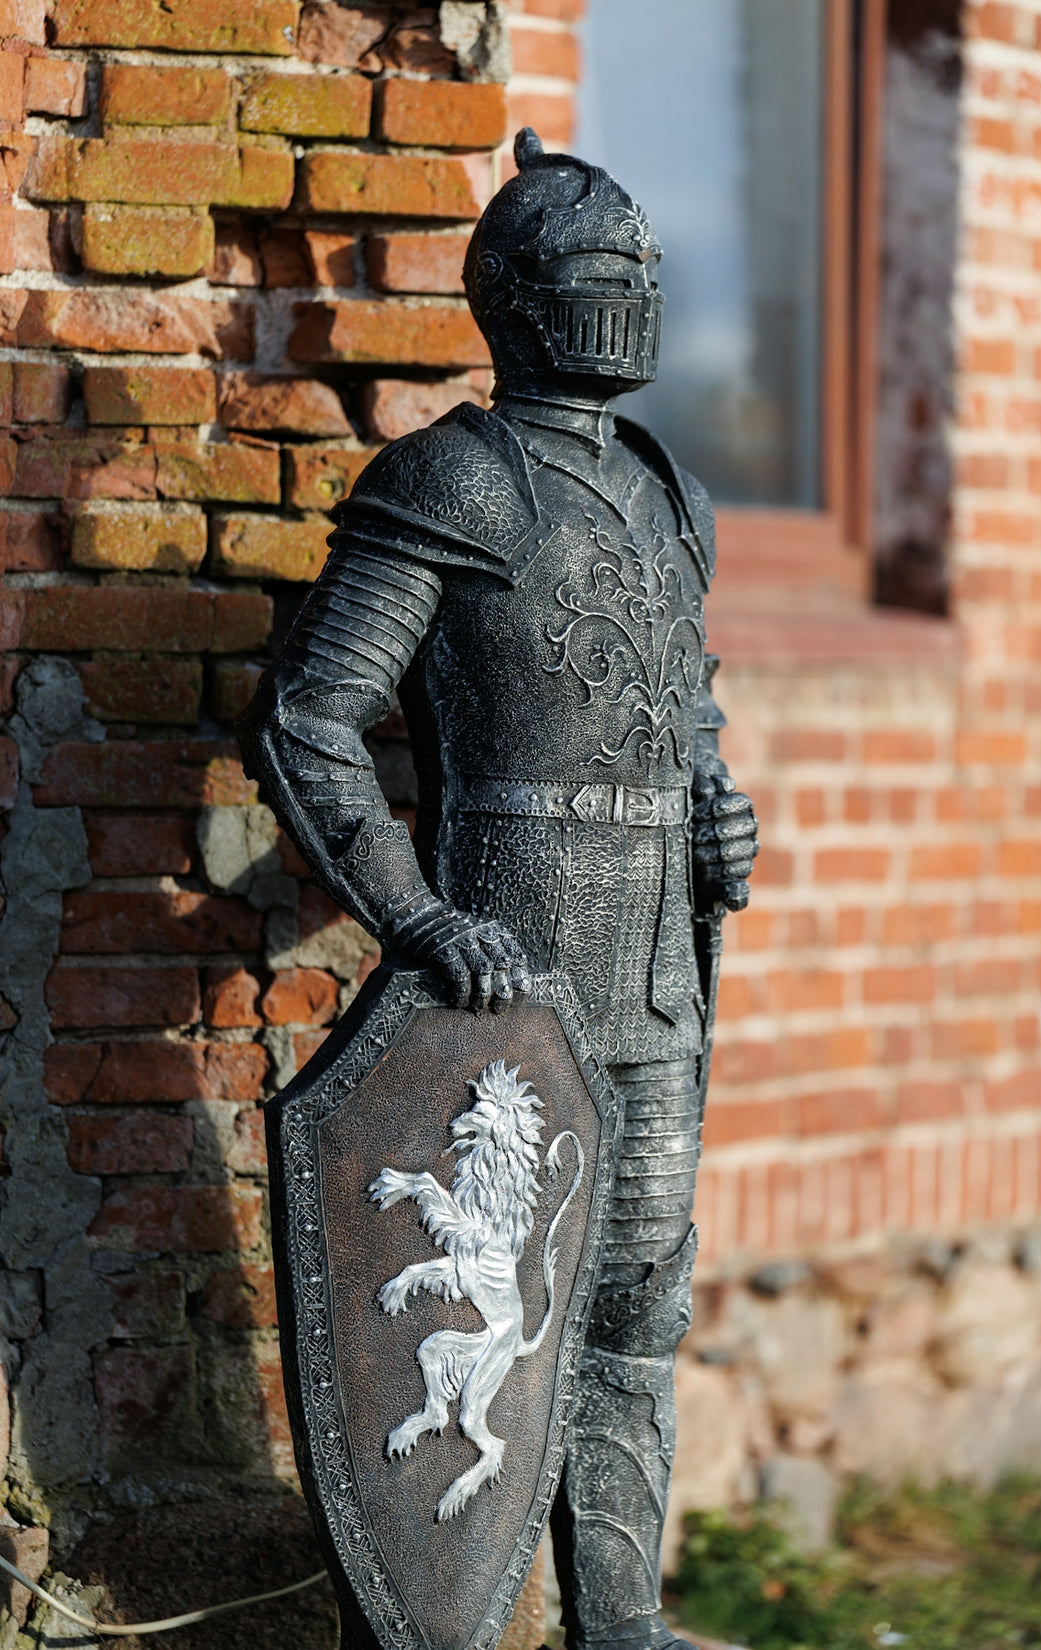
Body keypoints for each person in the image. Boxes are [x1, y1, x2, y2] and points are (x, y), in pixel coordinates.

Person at [239, 128, 759, 1650]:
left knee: (636, 1307)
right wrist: (417, 916)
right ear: (523, 295)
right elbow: (311, 714)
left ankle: (619, 1625)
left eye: (641, 272)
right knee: (488, 1321)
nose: (630, 298)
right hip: (503, 1005)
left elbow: (685, 713)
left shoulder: (671, 496)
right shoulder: (455, 480)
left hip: (653, 978)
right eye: (602, 271)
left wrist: (715, 820)